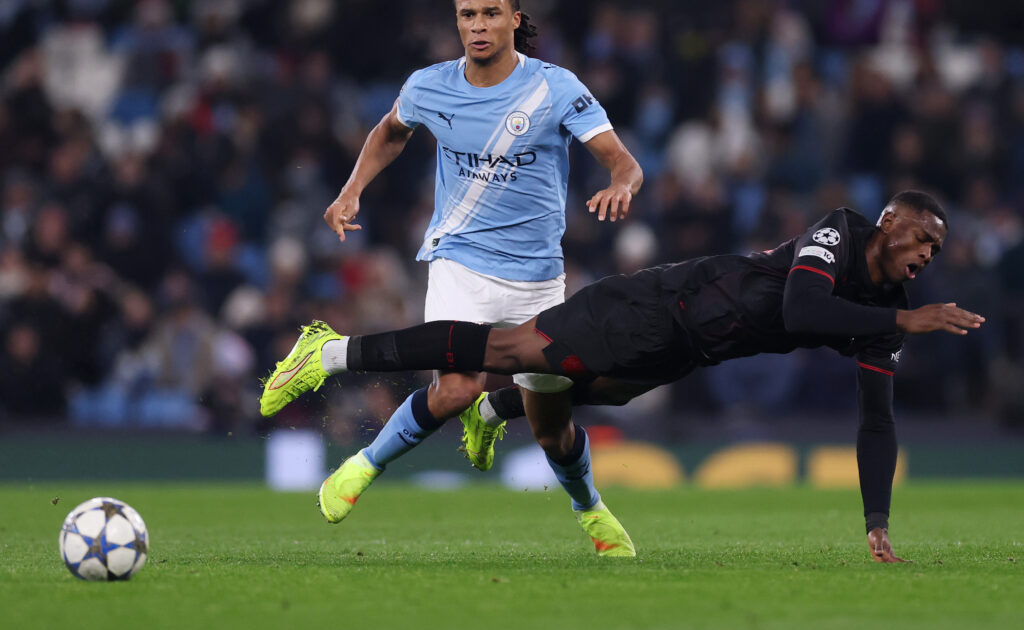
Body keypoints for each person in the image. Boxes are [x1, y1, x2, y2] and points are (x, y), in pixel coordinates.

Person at [261, 191, 985, 562]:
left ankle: (492, 415)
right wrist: (903, 323)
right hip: (661, 303)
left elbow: (877, 417)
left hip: (688, 350)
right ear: (891, 222)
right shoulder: (842, 231)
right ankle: (327, 352)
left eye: (938, 248)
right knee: (503, 350)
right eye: (923, 236)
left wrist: (876, 522)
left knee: (584, 397)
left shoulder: (886, 311)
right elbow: (800, 303)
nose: (928, 252)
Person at [261, 0, 644, 556]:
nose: (478, 25)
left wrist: (620, 182)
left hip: (539, 278)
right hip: (459, 260)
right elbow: (391, 130)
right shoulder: (429, 86)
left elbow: (622, 160)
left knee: (552, 429)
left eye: (491, 13)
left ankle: (589, 509)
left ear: (515, 19)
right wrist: (351, 190)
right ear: (457, 22)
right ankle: (362, 467)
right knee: (455, 389)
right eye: (468, 15)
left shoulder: (556, 87)